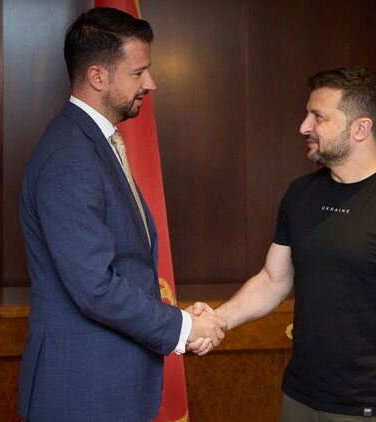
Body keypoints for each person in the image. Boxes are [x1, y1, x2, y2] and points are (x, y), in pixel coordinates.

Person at [195, 66, 376, 421]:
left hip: (373, 408)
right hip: (300, 397)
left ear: (361, 128)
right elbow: (273, 281)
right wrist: (217, 320)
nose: (304, 127)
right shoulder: (300, 194)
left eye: (318, 117)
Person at [17, 8, 225, 422]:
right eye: (138, 72)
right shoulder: (69, 156)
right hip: (83, 394)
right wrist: (184, 327)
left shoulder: (92, 142)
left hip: (107, 387)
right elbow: (94, 286)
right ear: (98, 77)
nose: (151, 83)